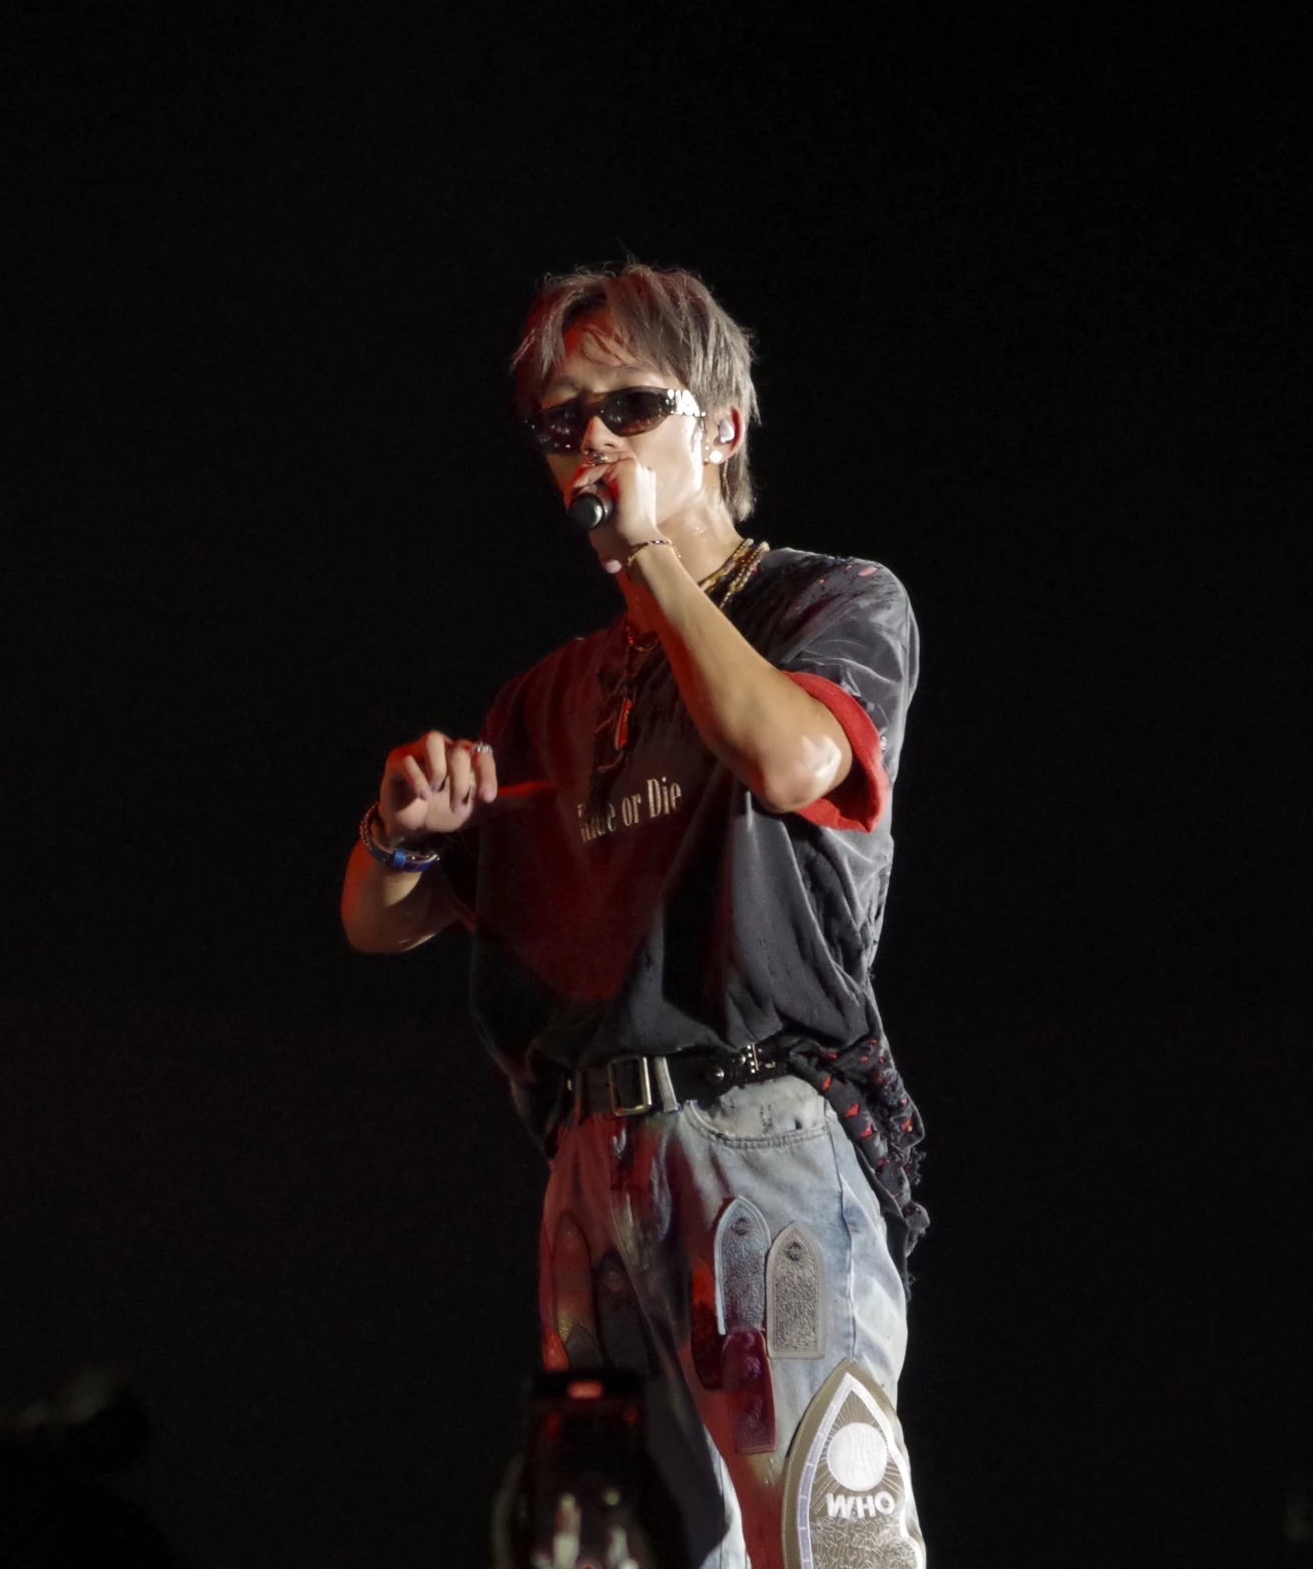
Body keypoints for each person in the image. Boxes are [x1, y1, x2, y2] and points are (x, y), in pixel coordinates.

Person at [340, 266, 928, 1569]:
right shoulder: (545, 697)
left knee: (826, 1540)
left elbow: (791, 758)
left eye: (630, 407)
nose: (594, 442)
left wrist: (649, 557)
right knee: (601, 1548)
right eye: (564, 422)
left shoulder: (831, 603)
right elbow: (380, 923)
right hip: (593, 1158)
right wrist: (400, 831)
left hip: (760, 1129)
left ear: (722, 425)